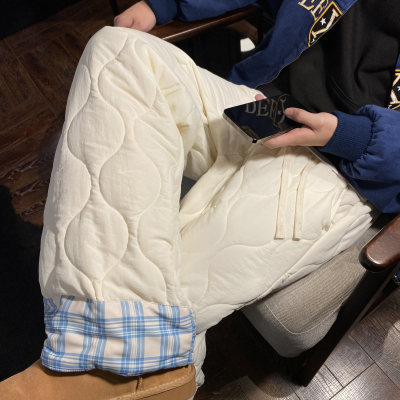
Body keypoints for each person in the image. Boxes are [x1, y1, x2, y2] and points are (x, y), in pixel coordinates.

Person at [1, 1, 399, 399]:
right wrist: (165, 4)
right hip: (269, 109)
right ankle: (136, 366)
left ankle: (121, 369)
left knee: (156, 286)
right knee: (118, 49)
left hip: (345, 163)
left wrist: (355, 136)